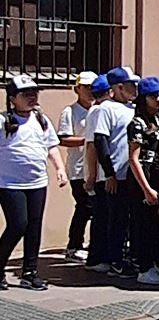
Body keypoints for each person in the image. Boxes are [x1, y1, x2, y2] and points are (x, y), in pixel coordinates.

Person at [0, 74, 66, 290]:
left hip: (37, 182)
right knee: (18, 224)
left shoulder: (41, 119)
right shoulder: (3, 121)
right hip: (10, 184)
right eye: (25, 94)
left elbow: (51, 147)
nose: (31, 97)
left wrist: (60, 169)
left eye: (34, 93)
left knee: (34, 227)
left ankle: (30, 272)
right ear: (12, 98)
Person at [91, 67, 140, 277]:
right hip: (115, 176)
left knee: (130, 219)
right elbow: (100, 141)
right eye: (131, 85)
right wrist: (109, 173)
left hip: (132, 174)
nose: (134, 88)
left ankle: (128, 255)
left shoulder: (132, 109)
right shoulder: (105, 109)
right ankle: (115, 260)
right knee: (116, 219)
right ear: (118, 88)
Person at [127, 77, 159, 285]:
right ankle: (144, 267)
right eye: (154, 96)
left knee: (158, 222)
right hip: (143, 177)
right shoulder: (137, 123)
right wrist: (146, 189)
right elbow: (133, 158)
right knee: (143, 224)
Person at [57, 71, 97, 262]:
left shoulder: (100, 109)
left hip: (97, 169)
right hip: (79, 169)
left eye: (92, 87)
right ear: (77, 89)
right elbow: (63, 139)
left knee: (96, 208)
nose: (90, 91)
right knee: (84, 206)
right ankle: (74, 245)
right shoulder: (70, 112)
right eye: (86, 87)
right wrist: (87, 141)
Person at [83, 74, 111, 272]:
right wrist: (92, 176)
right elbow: (92, 145)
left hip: (101, 173)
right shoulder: (98, 112)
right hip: (100, 174)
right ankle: (96, 257)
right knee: (101, 216)